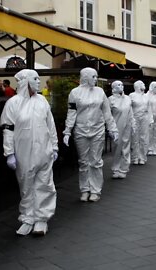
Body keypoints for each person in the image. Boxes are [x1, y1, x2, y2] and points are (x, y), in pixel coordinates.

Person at [0, 69, 58, 236]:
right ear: (25, 81)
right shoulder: (13, 103)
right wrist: (9, 153)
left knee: (45, 184)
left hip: (44, 151)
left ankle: (41, 219)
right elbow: (8, 129)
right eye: (35, 79)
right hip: (23, 152)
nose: (39, 82)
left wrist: (54, 146)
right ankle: (27, 218)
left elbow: (51, 126)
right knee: (26, 185)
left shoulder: (42, 102)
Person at [63, 67, 118, 202]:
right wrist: (67, 131)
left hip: (97, 130)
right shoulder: (74, 93)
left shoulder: (100, 92)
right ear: (86, 77)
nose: (95, 79)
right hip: (80, 130)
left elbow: (106, 112)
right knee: (83, 162)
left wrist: (113, 129)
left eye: (96, 77)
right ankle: (84, 189)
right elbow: (71, 113)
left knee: (96, 161)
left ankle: (95, 190)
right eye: (93, 77)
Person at [108, 80, 133, 179]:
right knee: (117, 148)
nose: (121, 86)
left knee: (126, 147)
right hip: (116, 126)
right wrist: (110, 128)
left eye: (122, 84)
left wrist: (133, 125)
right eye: (118, 85)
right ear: (113, 87)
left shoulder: (127, 99)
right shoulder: (110, 100)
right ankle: (115, 168)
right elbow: (107, 115)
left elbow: (131, 113)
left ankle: (124, 168)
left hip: (127, 126)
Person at [130, 80, 152, 165]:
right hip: (135, 118)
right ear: (138, 86)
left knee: (144, 138)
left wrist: (151, 119)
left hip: (144, 118)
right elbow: (130, 108)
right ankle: (135, 157)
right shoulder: (132, 95)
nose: (144, 85)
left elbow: (149, 108)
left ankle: (142, 157)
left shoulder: (146, 96)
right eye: (142, 84)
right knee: (135, 138)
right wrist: (131, 119)